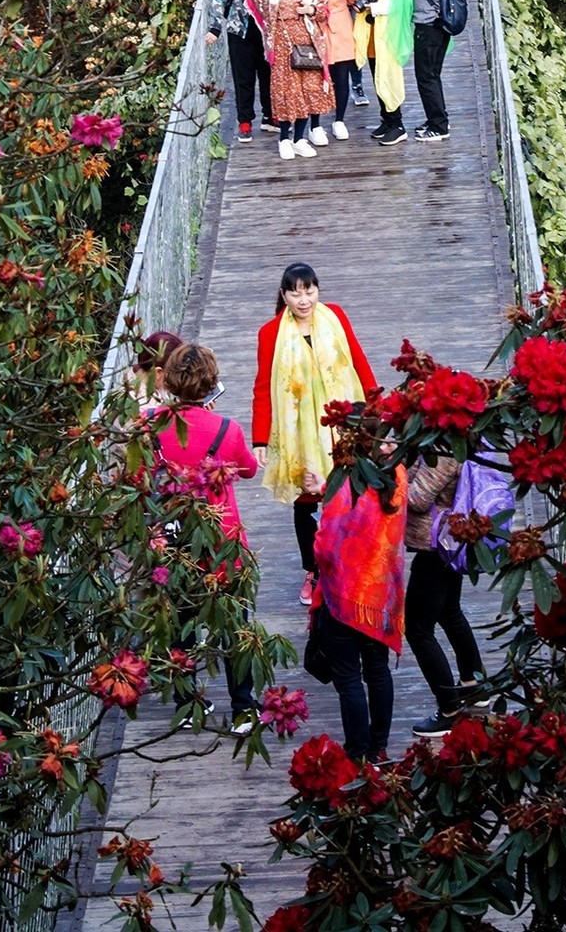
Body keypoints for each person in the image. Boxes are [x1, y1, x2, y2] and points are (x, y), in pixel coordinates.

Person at [251, 263, 376, 604]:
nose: (303, 299)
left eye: (309, 291)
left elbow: (357, 360)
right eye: (295, 292)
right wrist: (260, 438)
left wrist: (375, 404)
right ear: (284, 295)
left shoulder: (335, 316)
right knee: (306, 501)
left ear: (317, 291)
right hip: (300, 431)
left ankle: (352, 561)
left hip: (344, 422)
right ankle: (314, 569)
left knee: (352, 490)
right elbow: (263, 387)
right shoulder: (270, 333)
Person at [153, 342, 260, 732]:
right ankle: (243, 709)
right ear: (210, 382)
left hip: (173, 538)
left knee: (181, 622)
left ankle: (186, 704)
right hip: (222, 541)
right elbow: (247, 470)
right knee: (233, 625)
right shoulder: (227, 429)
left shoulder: (150, 424)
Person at [313, 449, 406, 762]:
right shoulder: (397, 476)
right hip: (381, 594)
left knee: (349, 678)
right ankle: (378, 747)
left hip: (344, 595)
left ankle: (357, 752)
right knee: (378, 671)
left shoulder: (346, 484)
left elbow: (325, 547)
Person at [404, 454, 484, 736]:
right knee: (450, 612)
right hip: (449, 539)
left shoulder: (444, 450)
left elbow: (417, 499)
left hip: (435, 546)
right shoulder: (451, 443)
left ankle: (449, 709)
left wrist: (391, 473)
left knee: (417, 630)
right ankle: (474, 686)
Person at [361, 0, 456, 141]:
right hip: (441, 25)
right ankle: (437, 119)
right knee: (432, 75)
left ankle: (439, 127)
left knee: (426, 77)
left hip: (429, 26)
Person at [248, 0, 332, 160]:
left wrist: (311, 9)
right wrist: (269, 28)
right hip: (283, 43)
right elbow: (252, 0)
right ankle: (284, 139)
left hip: (307, 41)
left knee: (308, 89)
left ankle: (300, 139)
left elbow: (325, 9)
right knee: (286, 90)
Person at [206, 0, 277, 142]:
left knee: (270, 75)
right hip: (241, 31)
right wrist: (215, 28)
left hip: (268, 32)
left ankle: (270, 116)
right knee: (243, 77)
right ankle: (245, 121)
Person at [359, 0, 411, 145]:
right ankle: (387, 120)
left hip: (388, 26)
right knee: (375, 72)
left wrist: (375, 7)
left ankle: (397, 123)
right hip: (371, 27)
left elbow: (403, 1)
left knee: (390, 73)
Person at [312, 0, 360, 140]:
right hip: (319, 24)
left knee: (342, 75)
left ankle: (339, 120)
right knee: (317, 76)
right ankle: (315, 124)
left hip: (341, 24)